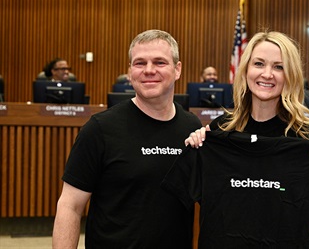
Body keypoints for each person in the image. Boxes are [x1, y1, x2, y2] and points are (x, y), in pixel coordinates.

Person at [179, 31, 309, 246]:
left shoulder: (306, 136)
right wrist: (197, 147)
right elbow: (197, 199)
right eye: (259, 64)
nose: (267, 74)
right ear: (245, 70)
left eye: (278, 67)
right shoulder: (220, 130)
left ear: (290, 74)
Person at [52, 29, 202, 248]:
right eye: (140, 63)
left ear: (177, 69)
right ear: (130, 72)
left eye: (160, 62)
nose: (149, 70)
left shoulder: (192, 128)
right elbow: (70, 206)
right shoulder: (100, 129)